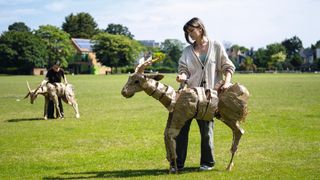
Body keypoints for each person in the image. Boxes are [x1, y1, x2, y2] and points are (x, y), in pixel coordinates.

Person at [174, 17, 235, 171]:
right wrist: (182, 76)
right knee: (181, 130)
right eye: (188, 32)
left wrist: (227, 82)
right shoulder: (187, 51)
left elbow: (228, 66)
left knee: (207, 131)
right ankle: (177, 164)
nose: (190, 35)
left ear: (200, 28)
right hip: (189, 96)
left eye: (192, 31)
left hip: (209, 98)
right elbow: (184, 70)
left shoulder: (216, 46)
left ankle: (207, 163)